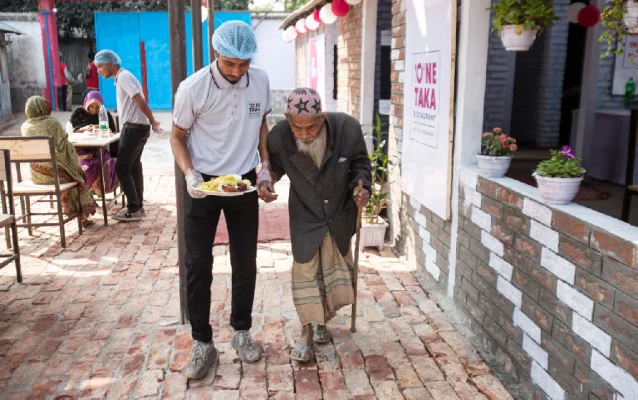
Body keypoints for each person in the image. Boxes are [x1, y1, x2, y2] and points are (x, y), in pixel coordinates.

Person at [171, 20, 273, 379]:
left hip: (242, 181)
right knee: (198, 264)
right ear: (216, 54)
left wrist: (264, 167)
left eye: (244, 64)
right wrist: (189, 175)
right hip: (204, 183)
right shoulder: (193, 88)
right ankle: (202, 342)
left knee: (245, 261)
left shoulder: (259, 80)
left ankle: (242, 331)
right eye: (230, 64)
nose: (237, 71)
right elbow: (176, 137)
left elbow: (262, 122)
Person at [258, 88, 371, 362]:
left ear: (322, 118)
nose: (305, 134)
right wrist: (266, 182)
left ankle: (323, 322)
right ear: (287, 118)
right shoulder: (279, 137)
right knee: (305, 272)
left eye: (312, 128)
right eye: (298, 128)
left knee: (331, 274)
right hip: (306, 214)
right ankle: (307, 331)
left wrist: (362, 186)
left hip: (339, 213)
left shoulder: (347, 128)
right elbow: (273, 169)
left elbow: (360, 164)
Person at [94, 49, 160, 222]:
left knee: (122, 167)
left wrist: (153, 120)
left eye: (100, 67)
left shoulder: (124, 77)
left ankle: (134, 207)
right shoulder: (121, 78)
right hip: (136, 127)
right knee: (133, 165)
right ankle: (138, 206)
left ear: (110, 64)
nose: (99, 71)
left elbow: (139, 100)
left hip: (134, 128)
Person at [21, 96, 98, 227]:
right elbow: (65, 148)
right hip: (55, 176)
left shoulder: (25, 127)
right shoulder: (52, 123)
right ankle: (82, 217)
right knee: (76, 177)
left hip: (37, 175)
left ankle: (77, 213)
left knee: (72, 173)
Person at [67, 91, 120, 196]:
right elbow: (70, 130)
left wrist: (115, 155)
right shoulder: (79, 113)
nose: (94, 110)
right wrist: (84, 129)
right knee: (85, 166)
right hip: (81, 150)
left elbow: (113, 133)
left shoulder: (105, 114)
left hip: (98, 149)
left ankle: (99, 190)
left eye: (97, 107)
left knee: (102, 163)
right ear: (86, 104)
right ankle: (86, 193)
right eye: (91, 107)